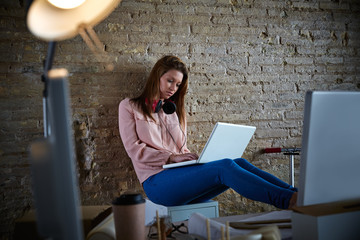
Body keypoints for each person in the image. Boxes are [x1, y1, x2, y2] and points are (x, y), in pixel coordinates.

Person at [118, 55, 297, 209]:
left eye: (178, 84)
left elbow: (182, 149)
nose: (173, 87)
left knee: (238, 162)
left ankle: (297, 195)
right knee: (225, 167)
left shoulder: (174, 111)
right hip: (156, 182)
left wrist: (195, 159)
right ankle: (288, 201)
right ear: (157, 77)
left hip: (181, 177)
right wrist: (170, 157)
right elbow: (134, 149)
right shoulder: (129, 106)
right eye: (170, 80)